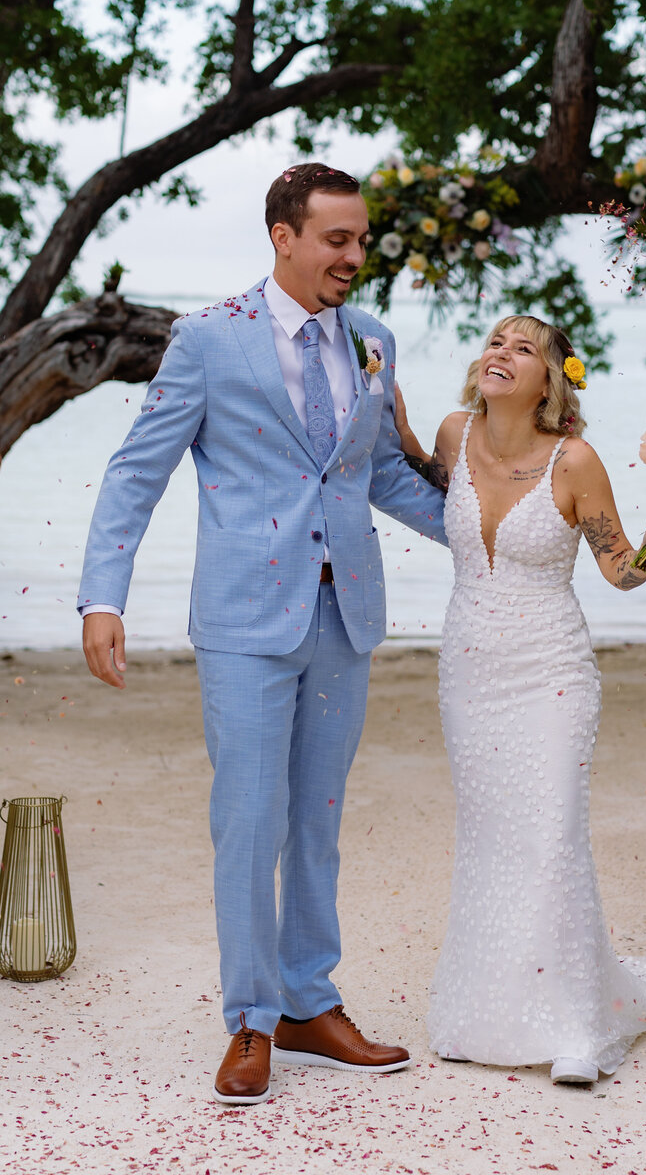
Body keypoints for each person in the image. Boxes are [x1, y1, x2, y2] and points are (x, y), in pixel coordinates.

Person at [78, 162, 447, 1105]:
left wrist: (499, 532)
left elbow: (379, 478)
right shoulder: (207, 340)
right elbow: (136, 471)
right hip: (246, 619)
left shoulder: (373, 341)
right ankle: (249, 1019)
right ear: (283, 237)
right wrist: (102, 599)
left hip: (345, 615)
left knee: (315, 823)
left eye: (362, 240)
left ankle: (308, 1004)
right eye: (338, 240)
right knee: (249, 823)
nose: (355, 257)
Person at [396, 315, 646, 1085]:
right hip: (468, 667)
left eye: (523, 348)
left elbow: (619, 570)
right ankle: (480, 1015)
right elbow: (426, 475)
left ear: (551, 380)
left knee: (552, 835)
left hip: (550, 671)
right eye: (496, 341)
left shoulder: (576, 460)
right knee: (491, 837)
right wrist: (383, 411)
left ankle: (577, 1031)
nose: (501, 353)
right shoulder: (456, 435)